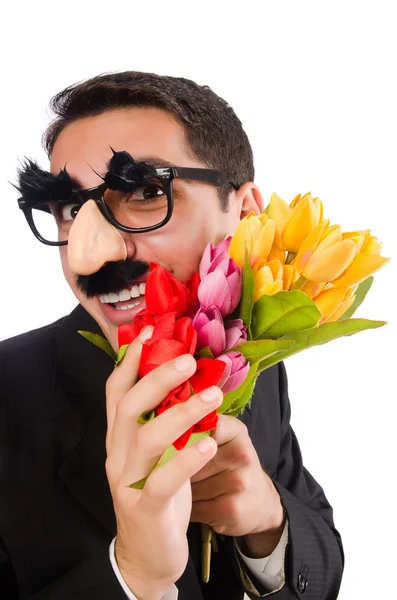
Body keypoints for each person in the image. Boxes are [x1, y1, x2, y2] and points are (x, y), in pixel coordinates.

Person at [0, 71, 344, 599]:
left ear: (245, 213)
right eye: (71, 209)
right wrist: (133, 576)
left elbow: (321, 565)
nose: (89, 255)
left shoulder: (251, 357)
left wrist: (266, 520)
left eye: (143, 192)